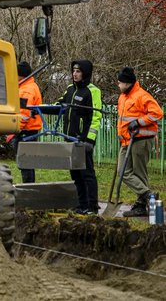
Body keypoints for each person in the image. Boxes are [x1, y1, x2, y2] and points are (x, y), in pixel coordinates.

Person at [116, 66, 163, 217]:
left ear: (127, 83)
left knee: (139, 173)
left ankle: (143, 205)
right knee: (123, 171)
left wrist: (139, 122)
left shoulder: (141, 96)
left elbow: (157, 113)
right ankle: (148, 195)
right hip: (127, 140)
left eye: (120, 82)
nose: (118, 85)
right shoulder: (123, 97)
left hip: (141, 139)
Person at [58, 60, 102, 214]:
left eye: (78, 71)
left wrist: (89, 139)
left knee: (87, 174)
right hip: (69, 138)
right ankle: (81, 204)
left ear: (85, 73)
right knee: (75, 174)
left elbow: (96, 116)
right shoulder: (70, 89)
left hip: (83, 140)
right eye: (73, 71)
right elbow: (60, 104)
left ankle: (92, 206)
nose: (74, 74)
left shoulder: (93, 91)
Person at [14, 61, 42, 183]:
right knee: (27, 164)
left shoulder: (26, 90)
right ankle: (29, 188)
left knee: (25, 164)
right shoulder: (29, 87)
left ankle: (28, 189)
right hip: (30, 131)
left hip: (26, 132)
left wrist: (14, 129)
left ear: (21, 75)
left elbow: (23, 114)